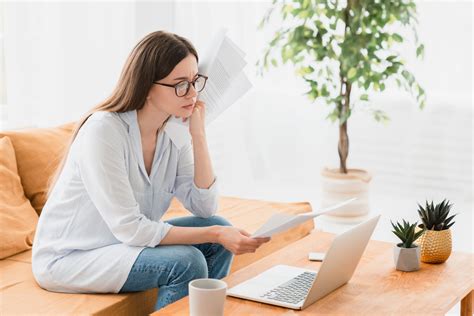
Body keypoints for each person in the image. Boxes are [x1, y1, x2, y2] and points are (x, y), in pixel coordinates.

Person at [32, 30, 270, 311]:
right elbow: (132, 229)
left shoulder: (173, 132)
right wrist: (214, 233)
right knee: (189, 260)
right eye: (181, 84)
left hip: (121, 244)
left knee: (219, 232)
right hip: (72, 257)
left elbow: (204, 207)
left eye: (195, 82)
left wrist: (198, 135)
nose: (192, 94)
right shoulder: (103, 131)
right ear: (146, 86)